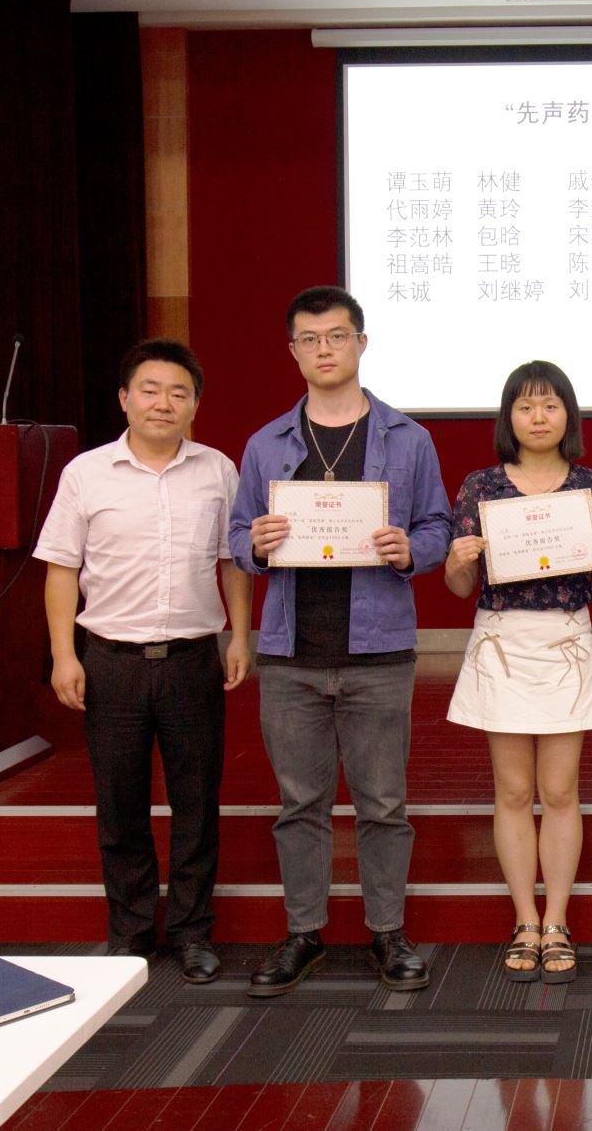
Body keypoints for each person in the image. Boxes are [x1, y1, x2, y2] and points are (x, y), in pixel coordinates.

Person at [229, 285, 451, 996]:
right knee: (300, 804)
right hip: (290, 651)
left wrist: (409, 548)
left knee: (383, 803)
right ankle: (304, 932)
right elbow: (235, 534)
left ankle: (388, 931)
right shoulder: (266, 444)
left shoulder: (408, 439)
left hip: (378, 651)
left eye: (336, 336)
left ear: (361, 342)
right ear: (293, 351)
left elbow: (439, 527)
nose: (324, 349)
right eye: (310, 339)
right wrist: (255, 543)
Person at [34, 339, 253, 983]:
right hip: (111, 661)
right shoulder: (86, 473)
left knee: (196, 803)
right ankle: (130, 932)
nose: (164, 403)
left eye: (179, 393)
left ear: (195, 406)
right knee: (119, 803)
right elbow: (61, 569)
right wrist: (63, 655)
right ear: (124, 398)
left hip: (192, 660)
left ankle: (191, 931)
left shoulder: (218, 470)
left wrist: (240, 637)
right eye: (151, 390)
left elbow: (233, 561)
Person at [443, 361, 592, 983]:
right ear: (509, 417)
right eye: (525, 407)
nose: (539, 417)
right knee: (512, 791)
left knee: (559, 792)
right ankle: (524, 919)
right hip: (502, 642)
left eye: (551, 405)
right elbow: (459, 586)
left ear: (568, 415)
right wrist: (458, 559)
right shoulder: (480, 487)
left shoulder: (591, 486)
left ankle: (556, 921)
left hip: (566, 642)